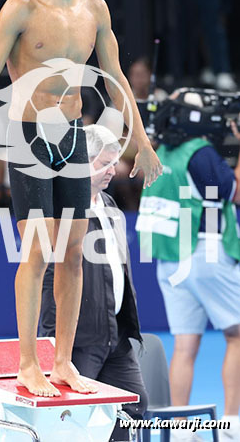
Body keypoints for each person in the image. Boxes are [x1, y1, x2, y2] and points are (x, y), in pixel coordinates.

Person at [0, 0, 162, 397]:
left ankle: (62, 361)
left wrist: (141, 141)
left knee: (75, 253)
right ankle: (27, 364)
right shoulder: (21, 8)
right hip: (30, 139)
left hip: (74, 137)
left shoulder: (95, 10)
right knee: (38, 251)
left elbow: (115, 79)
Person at [136, 94, 240, 442]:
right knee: (237, 336)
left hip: (169, 261)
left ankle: (180, 430)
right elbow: (233, 193)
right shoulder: (201, 153)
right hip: (205, 254)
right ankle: (233, 424)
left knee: (185, 346)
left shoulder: (160, 153)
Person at [40, 124, 148, 441]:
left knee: (136, 407)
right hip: (77, 341)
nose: (113, 171)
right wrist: (53, 346)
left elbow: (118, 271)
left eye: (114, 163)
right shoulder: (55, 212)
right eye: (104, 164)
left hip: (117, 336)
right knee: (72, 423)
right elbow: (48, 281)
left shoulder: (111, 207)